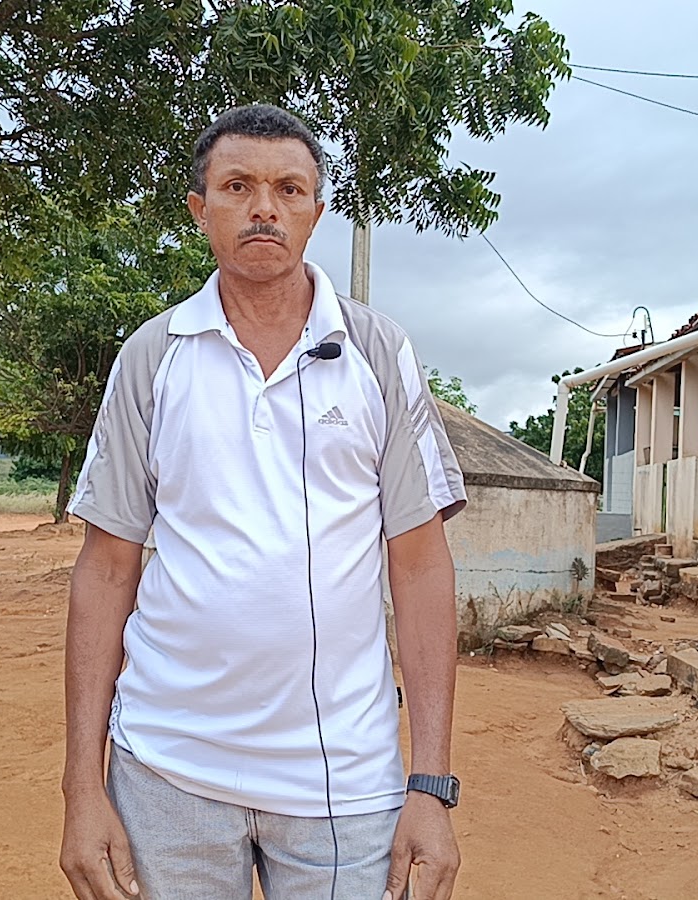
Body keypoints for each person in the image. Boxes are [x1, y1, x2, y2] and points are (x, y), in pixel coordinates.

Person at [59, 103, 466, 900]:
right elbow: (106, 571)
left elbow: (420, 570)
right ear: (200, 209)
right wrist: (81, 788)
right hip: (166, 772)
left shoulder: (376, 352)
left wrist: (432, 786)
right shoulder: (154, 356)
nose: (264, 208)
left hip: (346, 785)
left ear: (316, 210)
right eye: (237, 186)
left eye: (289, 188)